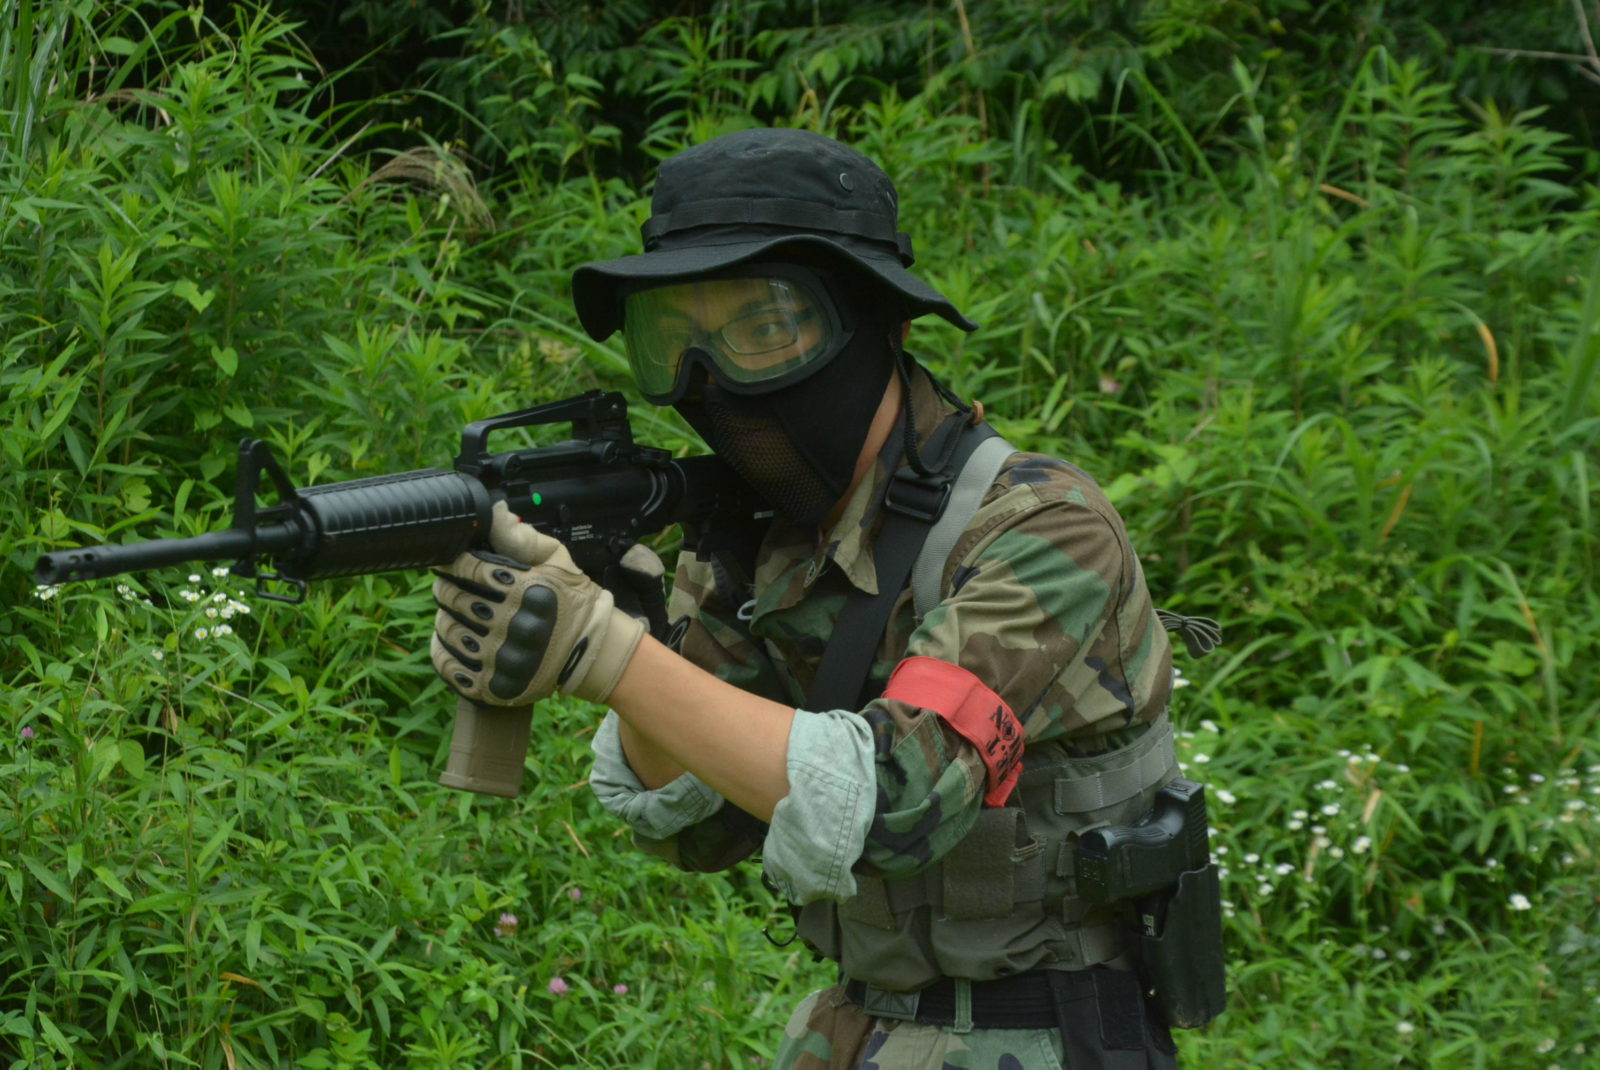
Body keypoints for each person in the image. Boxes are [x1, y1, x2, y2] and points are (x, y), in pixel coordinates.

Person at [429, 128, 1222, 1068]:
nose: (708, 379)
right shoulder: (763, 535)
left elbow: (895, 802)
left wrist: (608, 653)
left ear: (876, 324)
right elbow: (704, 829)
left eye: (765, 328)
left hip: (1047, 1033)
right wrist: (637, 638)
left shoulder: (1044, 529)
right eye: (674, 339)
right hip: (858, 1027)